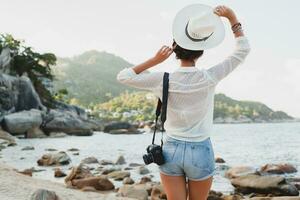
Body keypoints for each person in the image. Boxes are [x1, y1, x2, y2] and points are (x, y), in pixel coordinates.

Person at [116, 4, 250, 200]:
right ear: (201, 51)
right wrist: (232, 18)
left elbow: (123, 76)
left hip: (170, 150)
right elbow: (242, 50)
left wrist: (155, 60)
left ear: (175, 49)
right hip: (200, 150)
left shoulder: (161, 79)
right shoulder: (209, 77)